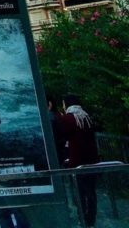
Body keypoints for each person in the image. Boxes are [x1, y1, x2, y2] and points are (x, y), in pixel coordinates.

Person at [58, 94, 99, 227]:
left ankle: (82, 218)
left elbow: (62, 136)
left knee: (79, 191)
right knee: (91, 191)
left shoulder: (68, 119)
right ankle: (91, 219)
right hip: (92, 160)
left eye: (63, 104)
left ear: (67, 104)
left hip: (77, 161)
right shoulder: (86, 116)